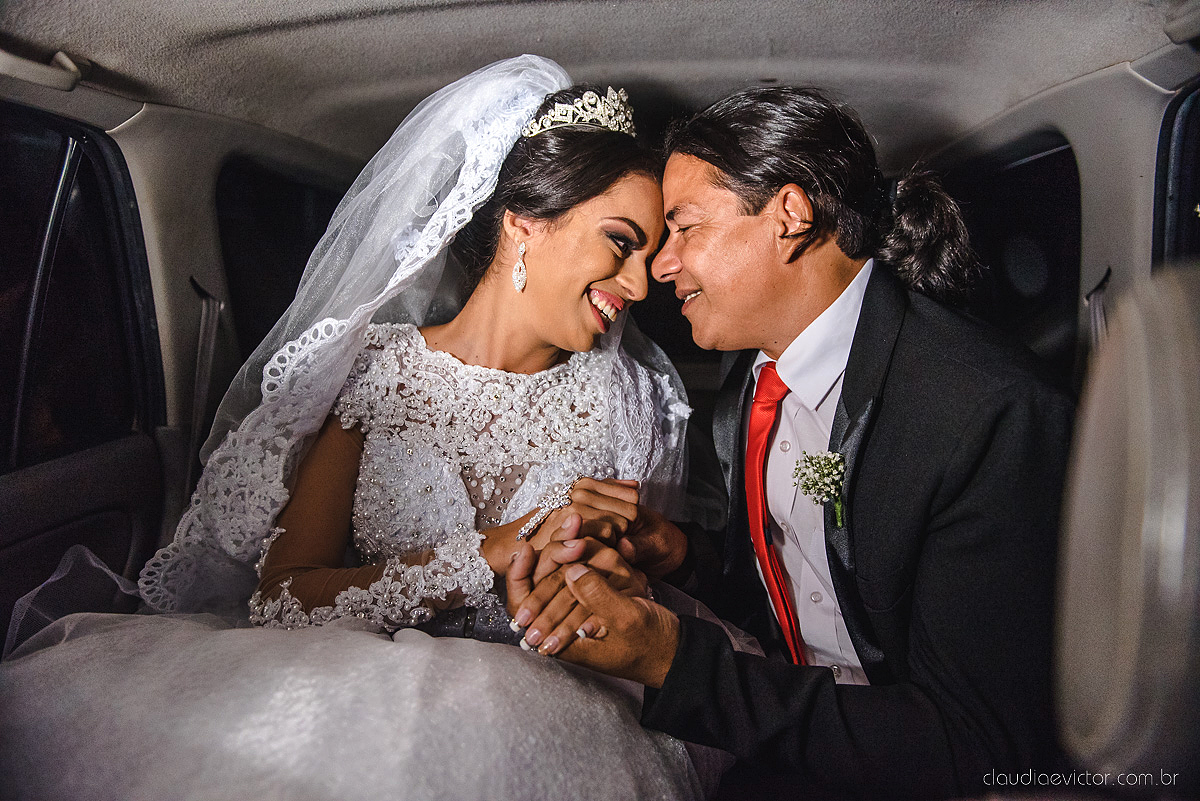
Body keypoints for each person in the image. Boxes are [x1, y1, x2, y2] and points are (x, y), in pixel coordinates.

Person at [0, 56, 728, 801]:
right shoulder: (377, 374)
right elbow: (279, 603)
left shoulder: (630, 400)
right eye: (620, 241)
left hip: (556, 719)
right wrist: (488, 554)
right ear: (523, 225)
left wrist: (597, 583)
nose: (640, 284)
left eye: (649, 253)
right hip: (355, 699)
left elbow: (631, 606)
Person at [509, 86, 1074, 799]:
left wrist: (679, 661)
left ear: (789, 216)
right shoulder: (748, 384)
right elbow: (798, 593)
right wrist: (684, 555)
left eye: (683, 228)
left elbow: (980, 743)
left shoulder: (985, 415)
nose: (659, 266)